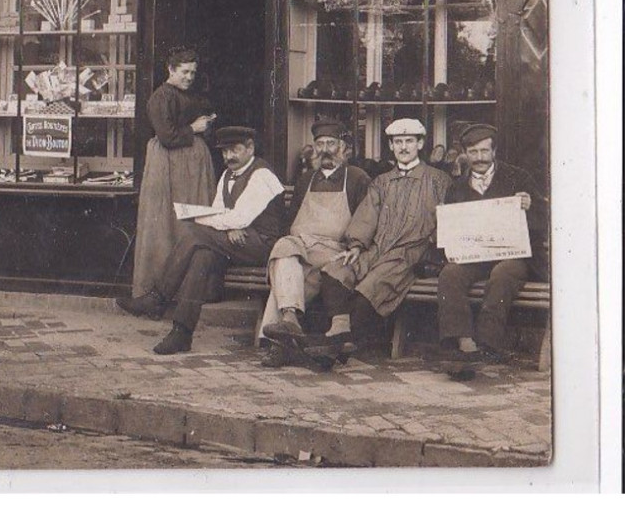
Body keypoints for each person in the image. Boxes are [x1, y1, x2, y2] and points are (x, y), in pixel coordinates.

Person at [118, 127, 286, 355]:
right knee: (202, 256)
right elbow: (219, 212)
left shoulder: (262, 175)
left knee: (193, 231)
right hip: (232, 242)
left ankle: (158, 297)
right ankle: (182, 333)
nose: (229, 157)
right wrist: (226, 227)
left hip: (263, 245)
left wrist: (221, 222)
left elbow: (238, 217)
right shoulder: (227, 175)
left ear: (250, 148)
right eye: (225, 152)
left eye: (235, 150)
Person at [307, 118, 452, 362]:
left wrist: (435, 248)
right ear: (391, 146)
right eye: (398, 142)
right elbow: (367, 217)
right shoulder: (382, 182)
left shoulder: (438, 180)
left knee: (372, 285)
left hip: (411, 251)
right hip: (377, 247)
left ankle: (337, 345)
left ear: (420, 144)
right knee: (337, 269)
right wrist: (355, 246)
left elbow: (448, 218)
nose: (403, 147)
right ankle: (339, 333)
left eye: (409, 141)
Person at [259, 119, 372, 369]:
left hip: (335, 252)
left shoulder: (357, 178)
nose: (325, 150)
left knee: (286, 274)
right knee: (285, 250)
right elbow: (290, 221)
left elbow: (366, 219)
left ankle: (280, 343)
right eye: (320, 144)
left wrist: (355, 246)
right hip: (303, 248)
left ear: (343, 148)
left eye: (331, 143)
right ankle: (289, 319)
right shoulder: (306, 179)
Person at [437, 123, 548, 368]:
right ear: (465, 153)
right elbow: (450, 230)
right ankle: (464, 341)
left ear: (494, 151)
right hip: (475, 257)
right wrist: (453, 246)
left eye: (484, 151)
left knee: (502, 273)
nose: (479, 158)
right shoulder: (456, 188)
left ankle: (489, 344)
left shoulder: (518, 178)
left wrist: (531, 206)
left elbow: (546, 216)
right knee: (450, 273)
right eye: (473, 152)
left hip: (514, 256)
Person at [129, 47, 217, 299]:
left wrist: (206, 124)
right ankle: (157, 290)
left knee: (191, 221)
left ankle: (190, 290)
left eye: (193, 72)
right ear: (171, 70)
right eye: (185, 72)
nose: (189, 77)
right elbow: (167, 136)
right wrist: (194, 127)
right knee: (166, 223)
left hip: (191, 166)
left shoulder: (190, 95)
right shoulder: (161, 97)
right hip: (169, 165)